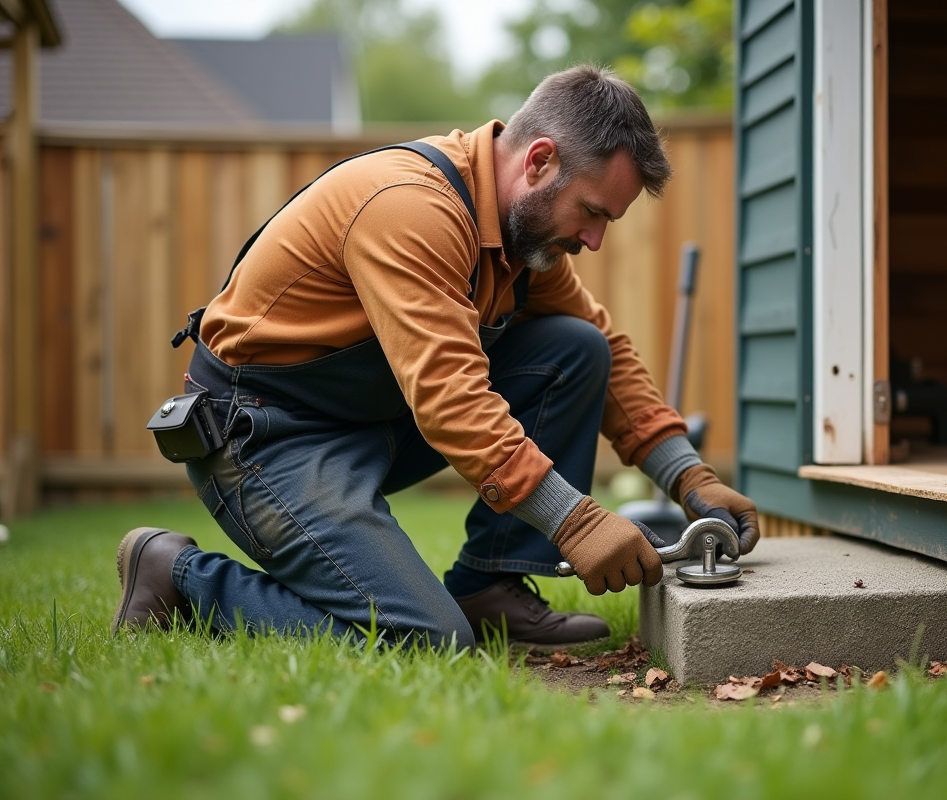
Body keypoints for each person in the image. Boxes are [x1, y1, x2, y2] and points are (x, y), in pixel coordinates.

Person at [111, 65, 759, 649]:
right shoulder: (410, 208)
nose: (593, 239)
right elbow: (451, 399)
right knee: (422, 637)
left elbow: (607, 352)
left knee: (575, 348)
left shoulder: (519, 241)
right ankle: (177, 575)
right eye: (590, 212)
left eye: (605, 223)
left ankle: (489, 588)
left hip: (363, 420)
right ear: (538, 162)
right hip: (263, 437)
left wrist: (689, 477)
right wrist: (576, 521)